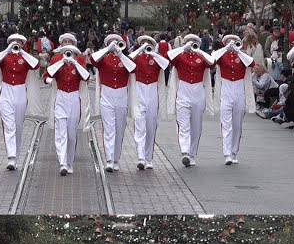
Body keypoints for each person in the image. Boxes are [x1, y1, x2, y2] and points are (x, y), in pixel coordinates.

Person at [90, 33, 135, 173]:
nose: (115, 44)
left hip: (121, 95)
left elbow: (133, 68)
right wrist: (107, 49)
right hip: (107, 94)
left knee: (119, 128)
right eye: (112, 42)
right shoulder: (103, 58)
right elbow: (93, 60)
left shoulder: (126, 58)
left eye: (117, 42)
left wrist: (121, 54)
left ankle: (116, 158)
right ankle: (109, 159)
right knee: (109, 129)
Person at [45, 33, 89, 175]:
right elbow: (48, 75)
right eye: (65, 42)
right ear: (61, 44)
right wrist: (61, 62)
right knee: (61, 132)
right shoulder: (56, 58)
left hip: (74, 97)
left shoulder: (80, 58)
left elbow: (86, 77)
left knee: (71, 134)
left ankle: (70, 162)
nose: (67, 44)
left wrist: (75, 62)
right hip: (61, 96)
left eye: (70, 41)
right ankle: (62, 162)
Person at [168, 34, 214, 167]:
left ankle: (192, 154)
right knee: (183, 125)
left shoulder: (201, 56)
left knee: (196, 125)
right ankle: (185, 152)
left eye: (193, 42)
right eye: (188, 42)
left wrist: (199, 50)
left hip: (198, 91)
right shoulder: (179, 56)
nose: (191, 44)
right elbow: (169, 57)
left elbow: (212, 62)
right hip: (183, 91)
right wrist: (183, 48)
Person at [0, 34, 39, 170]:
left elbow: (36, 65)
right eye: (13, 42)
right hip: (6, 90)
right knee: (9, 126)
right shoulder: (5, 56)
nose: (16, 44)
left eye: (18, 42)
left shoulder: (25, 58)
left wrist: (23, 51)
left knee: (18, 126)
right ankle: (11, 157)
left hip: (20, 91)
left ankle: (16, 155)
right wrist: (7, 50)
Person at [212, 34, 254, 165]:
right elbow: (212, 59)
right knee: (226, 124)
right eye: (229, 42)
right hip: (226, 89)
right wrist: (225, 49)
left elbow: (251, 63)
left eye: (234, 42)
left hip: (239, 89)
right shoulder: (222, 54)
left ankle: (234, 151)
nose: (232, 44)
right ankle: (227, 153)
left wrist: (239, 52)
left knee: (237, 125)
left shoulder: (242, 56)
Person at [128, 34, 168, 170]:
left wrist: (154, 54)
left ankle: (149, 158)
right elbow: (128, 60)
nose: (146, 45)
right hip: (139, 91)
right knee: (140, 125)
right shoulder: (136, 57)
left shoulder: (156, 59)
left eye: (148, 43)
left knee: (151, 126)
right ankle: (140, 157)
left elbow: (166, 64)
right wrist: (139, 50)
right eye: (143, 42)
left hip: (152, 92)